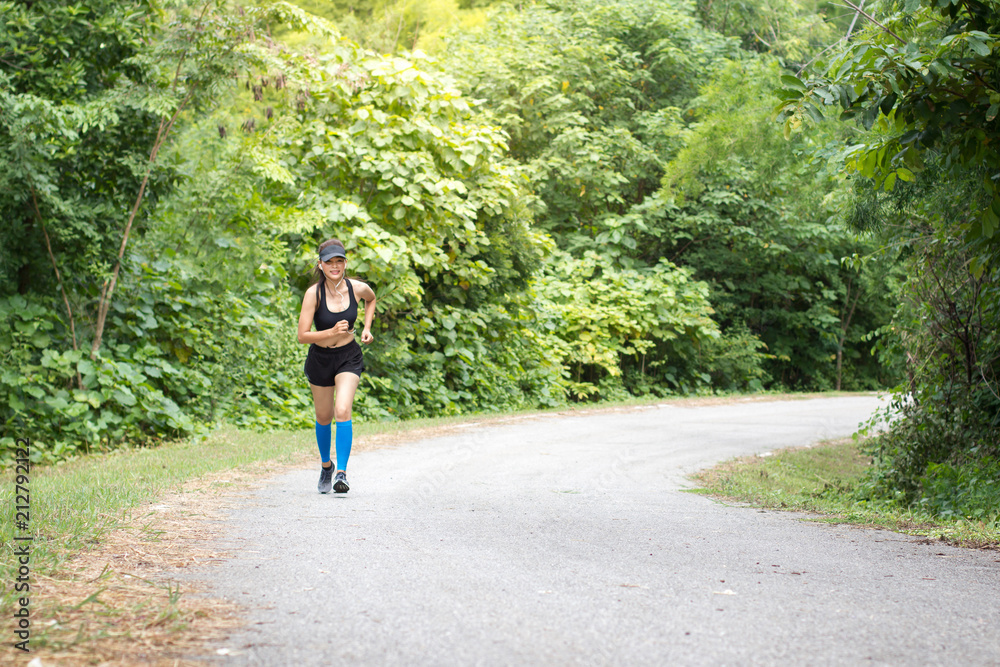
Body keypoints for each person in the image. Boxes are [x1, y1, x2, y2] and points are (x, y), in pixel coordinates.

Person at [297, 239, 376, 494]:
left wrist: (366, 328)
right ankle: (326, 466)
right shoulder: (314, 294)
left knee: (342, 410)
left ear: (345, 263)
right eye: (329, 262)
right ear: (320, 265)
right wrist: (329, 331)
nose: (335, 266)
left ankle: (341, 473)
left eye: (339, 261)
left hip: (348, 357)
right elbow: (302, 335)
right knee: (324, 416)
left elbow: (371, 299)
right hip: (320, 359)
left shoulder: (356, 288)